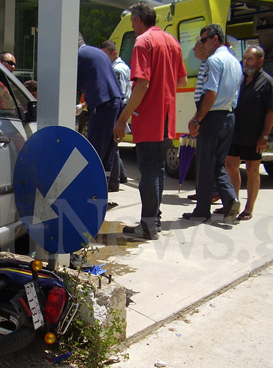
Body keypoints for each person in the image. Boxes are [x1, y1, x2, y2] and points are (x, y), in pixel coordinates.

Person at [113, 1, 187, 240]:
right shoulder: (172, 41)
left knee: (148, 172)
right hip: (167, 116)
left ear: (137, 20)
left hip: (149, 117)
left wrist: (123, 118)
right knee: (159, 169)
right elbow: (182, 81)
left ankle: (147, 225)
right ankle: (154, 220)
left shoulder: (143, 42)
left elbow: (142, 83)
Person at [183, 24, 242, 224]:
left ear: (215, 39)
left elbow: (211, 92)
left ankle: (202, 210)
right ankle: (231, 199)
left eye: (204, 39)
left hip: (213, 117)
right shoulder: (235, 62)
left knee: (205, 166)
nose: (202, 44)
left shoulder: (214, 61)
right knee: (217, 164)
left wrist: (198, 118)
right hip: (228, 117)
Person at [224, 46, 273, 221]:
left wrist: (264, 136)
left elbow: (271, 111)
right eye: (245, 58)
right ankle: (233, 203)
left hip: (254, 135)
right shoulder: (240, 78)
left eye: (250, 59)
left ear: (260, 61)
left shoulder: (267, 83)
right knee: (231, 166)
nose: (246, 62)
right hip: (235, 132)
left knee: (253, 170)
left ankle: (249, 208)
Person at [76, 33, 123, 179]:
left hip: (103, 106)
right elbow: (101, 85)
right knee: (108, 150)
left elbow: (70, 83)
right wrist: (84, 104)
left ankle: (92, 191)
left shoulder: (79, 55)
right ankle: (104, 189)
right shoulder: (96, 52)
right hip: (115, 102)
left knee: (95, 151)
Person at [187, 37, 220, 204]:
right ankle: (202, 191)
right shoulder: (204, 65)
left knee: (209, 157)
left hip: (208, 114)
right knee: (202, 156)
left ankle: (212, 192)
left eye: (196, 47)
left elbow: (210, 93)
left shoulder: (211, 64)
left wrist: (198, 118)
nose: (193, 51)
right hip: (202, 110)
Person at [99, 39, 130, 190]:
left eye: (105, 55)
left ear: (114, 53)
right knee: (114, 145)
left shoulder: (116, 70)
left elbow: (119, 93)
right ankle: (120, 176)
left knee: (112, 145)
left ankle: (114, 180)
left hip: (117, 107)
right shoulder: (121, 67)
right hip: (120, 107)